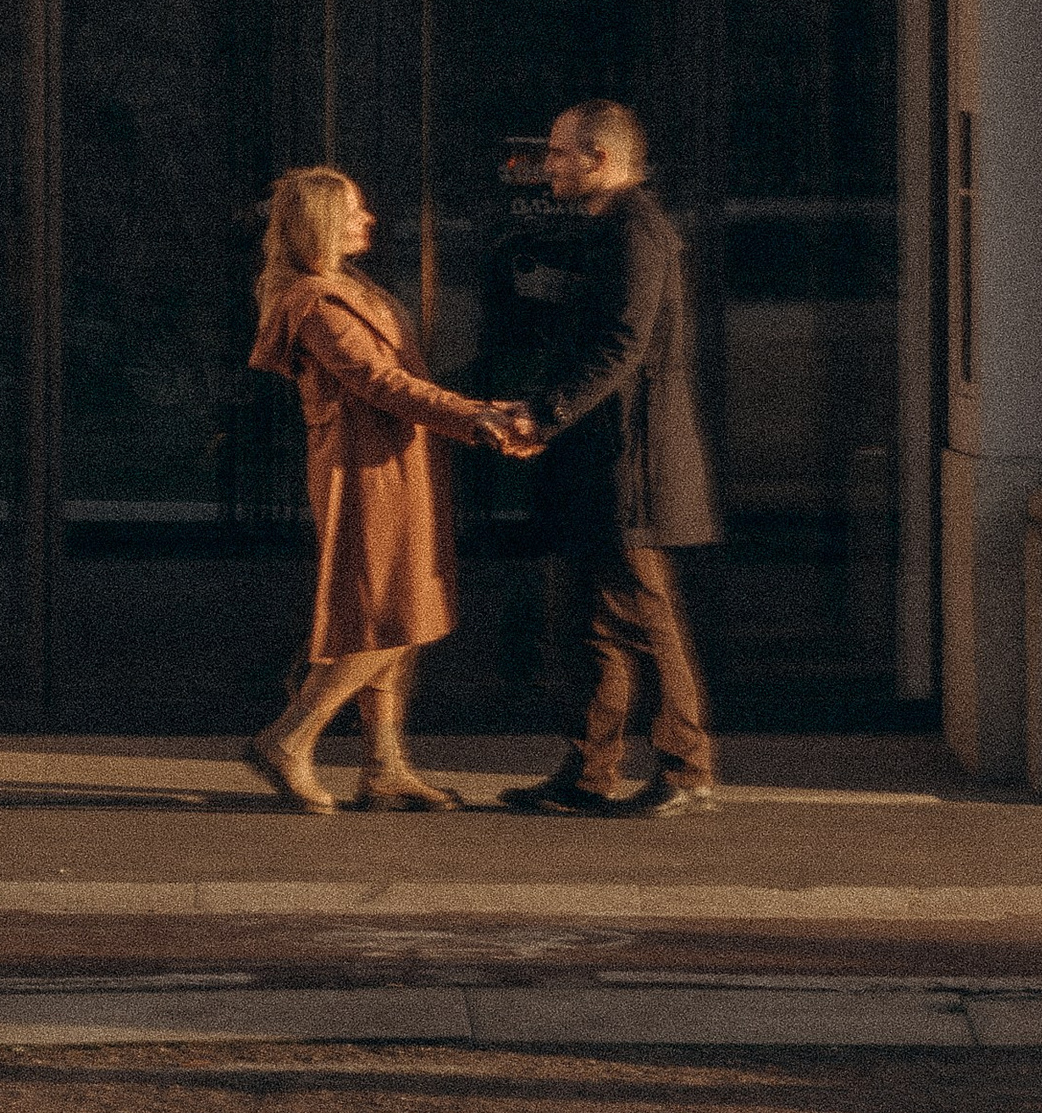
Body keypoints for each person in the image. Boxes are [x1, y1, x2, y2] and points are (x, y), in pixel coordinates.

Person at [246, 162, 528, 813]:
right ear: (320, 222)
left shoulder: (345, 284)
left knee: (402, 608)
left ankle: (385, 765)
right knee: (387, 618)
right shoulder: (314, 300)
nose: (367, 219)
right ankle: (291, 737)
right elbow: (381, 383)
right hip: (364, 472)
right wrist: (476, 416)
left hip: (395, 466)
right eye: (354, 211)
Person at [497, 101, 722, 816]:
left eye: (560, 153)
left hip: (631, 460)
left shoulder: (636, 232)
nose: (548, 165)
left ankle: (687, 769)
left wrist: (545, 411)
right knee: (594, 621)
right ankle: (590, 772)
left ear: (598, 157)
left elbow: (620, 346)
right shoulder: (613, 230)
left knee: (642, 612)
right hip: (605, 457)